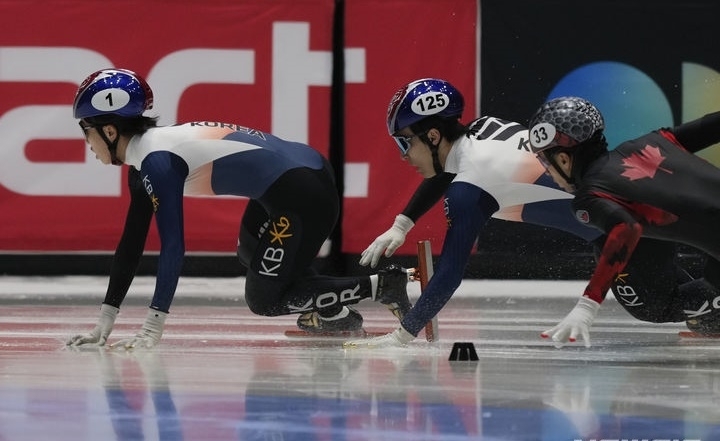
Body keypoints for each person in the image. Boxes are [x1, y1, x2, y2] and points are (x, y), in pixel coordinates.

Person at [65, 68, 411, 349]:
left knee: (264, 300)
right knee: (251, 253)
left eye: (87, 134)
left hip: (303, 192)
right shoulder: (144, 161)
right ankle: (334, 314)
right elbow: (132, 244)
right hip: (293, 177)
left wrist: (151, 329)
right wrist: (104, 324)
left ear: (109, 130)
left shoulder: (158, 162)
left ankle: (384, 286)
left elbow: (173, 246)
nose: (88, 145)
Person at [344, 78, 605, 349]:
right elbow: (448, 169)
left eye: (404, 143)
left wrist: (402, 336)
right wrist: (402, 224)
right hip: (624, 213)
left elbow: (449, 275)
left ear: (433, 136)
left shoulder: (468, 189)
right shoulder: (482, 128)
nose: (403, 156)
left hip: (625, 243)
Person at [524, 96, 720, 346]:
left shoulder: (591, 195)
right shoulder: (653, 141)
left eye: (544, 161)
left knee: (654, 308)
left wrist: (588, 304)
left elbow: (627, 229)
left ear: (563, 159)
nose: (547, 173)